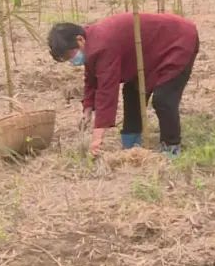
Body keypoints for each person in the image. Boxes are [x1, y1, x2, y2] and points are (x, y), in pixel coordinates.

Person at [47, 13, 199, 158]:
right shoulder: (91, 42)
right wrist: (87, 108)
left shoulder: (102, 44)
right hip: (147, 53)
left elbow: (107, 92)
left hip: (178, 40)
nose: (71, 61)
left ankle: (171, 146)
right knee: (133, 91)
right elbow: (92, 78)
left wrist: (97, 138)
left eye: (69, 56)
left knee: (163, 99)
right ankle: (131, 143)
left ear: (80, 40)